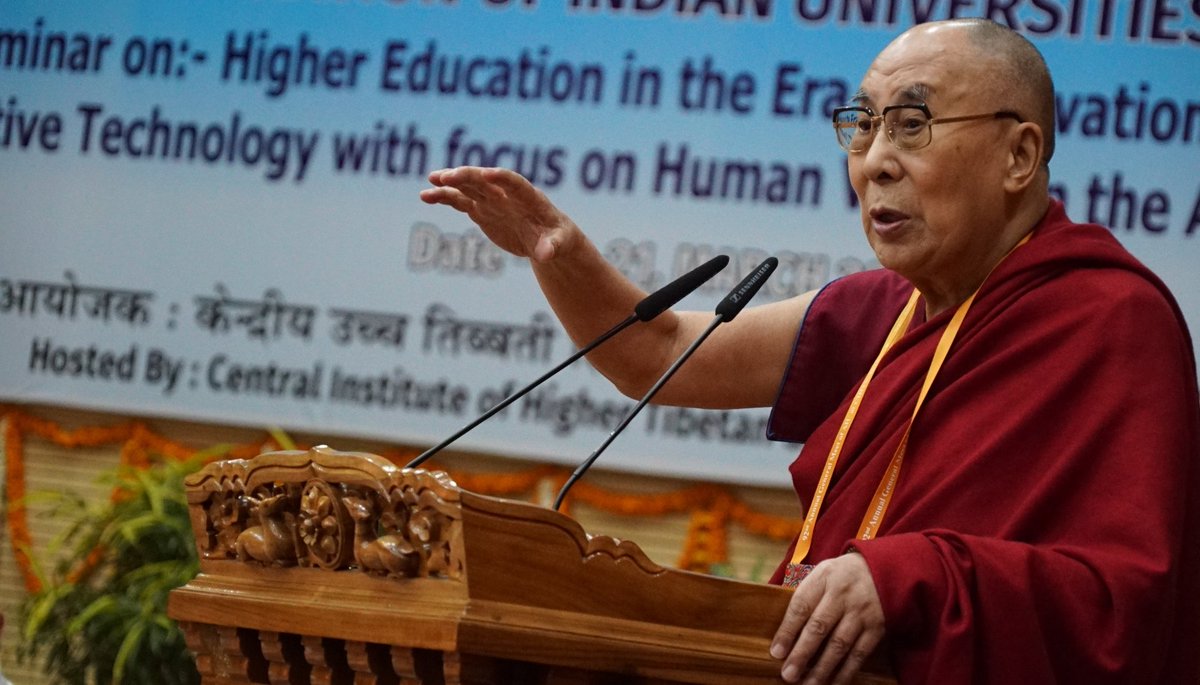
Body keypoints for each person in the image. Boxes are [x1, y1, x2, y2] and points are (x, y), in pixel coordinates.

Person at [418, 18, 1200, 685]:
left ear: (1019, 156)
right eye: (862, 125)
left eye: (912, 125)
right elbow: (654, 353)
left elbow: (1124, 608)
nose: (874, 160)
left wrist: (908, 578)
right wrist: (556, 253)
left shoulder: (1111, 320)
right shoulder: (881, 312)